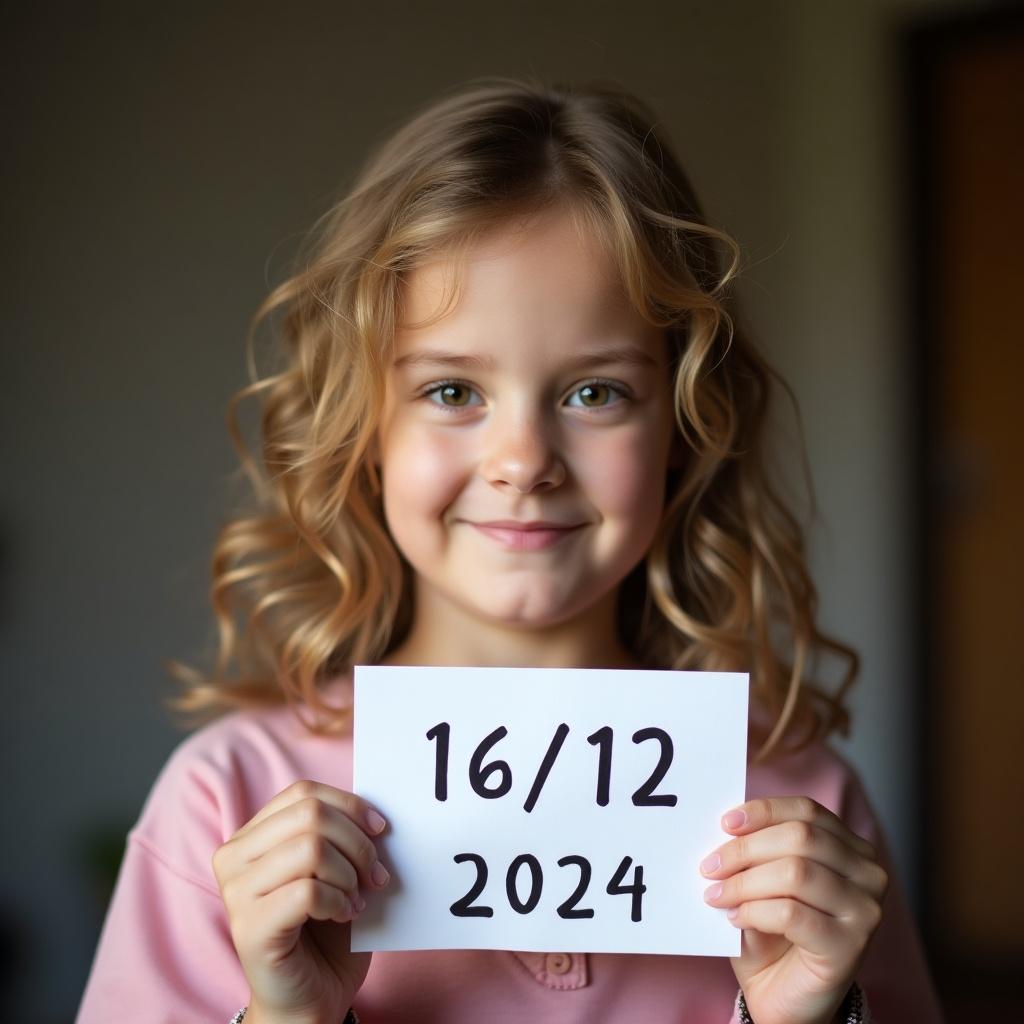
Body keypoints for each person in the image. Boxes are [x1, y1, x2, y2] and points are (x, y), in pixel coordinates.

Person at [75, 76, 944, 1024]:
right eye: (452, 391)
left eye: (595, 393)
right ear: (365, 426)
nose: (524, 462)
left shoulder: (804, 807)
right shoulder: (228, 799)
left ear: (685, 427)